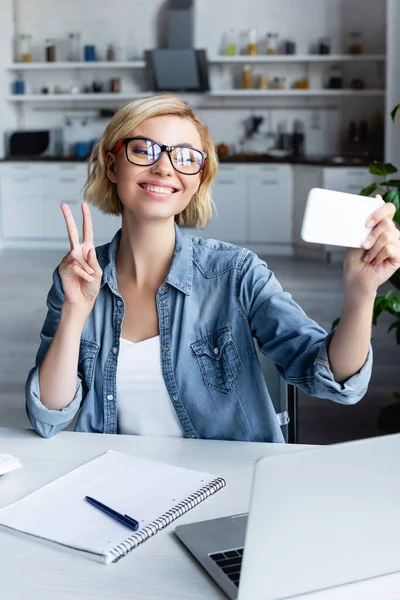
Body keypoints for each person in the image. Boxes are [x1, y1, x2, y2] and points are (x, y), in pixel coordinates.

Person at [26, 94, 400, 441]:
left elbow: (334, 380)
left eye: (186, 157)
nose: (163, 168)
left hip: (226, 485)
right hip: (117, 484)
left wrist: (361, 290)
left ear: (198, 179)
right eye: (144, 150)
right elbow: (50, 417)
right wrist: (76, 310)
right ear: (111, 164)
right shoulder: (78, 280)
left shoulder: (237, 274)